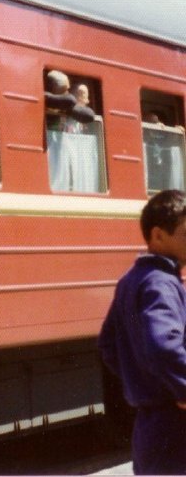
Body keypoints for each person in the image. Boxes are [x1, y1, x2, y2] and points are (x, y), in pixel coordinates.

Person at [98, 189, 186, 475]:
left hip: (149, 428)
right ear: (158, 236)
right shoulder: (161, 283)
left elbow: (109, 345)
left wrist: (142, 381)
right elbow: (164, 347)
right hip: (175, 428)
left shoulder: (131, 279)